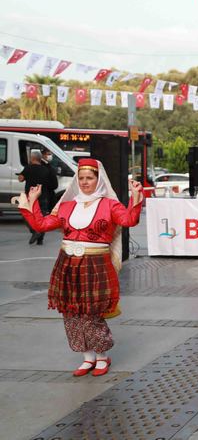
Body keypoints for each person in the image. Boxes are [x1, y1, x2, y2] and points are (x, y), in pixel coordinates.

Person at [15, 158, 143, 377]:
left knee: (92, 312)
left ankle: (102, 356)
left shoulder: (110, 205)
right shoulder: (67, 205)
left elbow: (129, 220)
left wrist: (135, 197)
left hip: (96, 264)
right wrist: (33, 201)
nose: (84, 182)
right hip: (67, 264)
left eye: (89, 178)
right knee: (71, 311)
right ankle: (87, 357)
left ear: (98, 179)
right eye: (81, 178)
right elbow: (41, 225)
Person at [17, 149, 58, 245]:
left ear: (32, 158)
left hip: (31, 196)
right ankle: (40, 239)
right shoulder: (46, 169)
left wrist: (21, 175)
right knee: (41, 216)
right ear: (40, 158)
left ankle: (35, 231)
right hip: (43, 196)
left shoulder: (28, 168)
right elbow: (52, 184)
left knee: (27, 215)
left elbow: (21, 179)